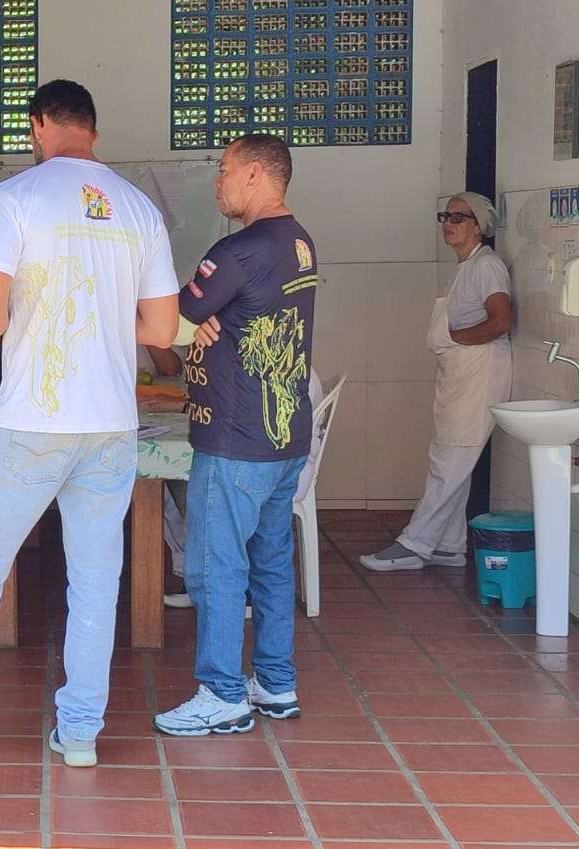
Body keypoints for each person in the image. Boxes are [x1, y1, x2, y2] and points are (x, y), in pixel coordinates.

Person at [0, 79, 179, 767]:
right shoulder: (140, 209)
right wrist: (105, 318)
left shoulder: (14, 197)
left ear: (38, 125)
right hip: (111, 425)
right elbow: (163, 329)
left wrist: (37, 316)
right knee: (95, 581)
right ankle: (79, 734)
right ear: (94, 132)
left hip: (33, 420)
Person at [153, 133, 317, 737]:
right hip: (283, 435)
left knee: (214, 567)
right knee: (270, 562)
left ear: (254, 174)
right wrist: (199, 321)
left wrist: (183, 320)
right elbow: (217, 316)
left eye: (224, 171)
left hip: (235, 437)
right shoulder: (298, 242)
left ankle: (222, 693)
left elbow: (169, 320)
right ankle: (274, 681)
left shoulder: (238, 250)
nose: (217, 182)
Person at [360, 193, 512, 572]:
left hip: (478, 376)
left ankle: (414, 544)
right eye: (446, 216)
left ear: (478, 226)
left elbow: (501, 320)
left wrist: (456, 339)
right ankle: (448, 545)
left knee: (450, 462)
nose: (449, 223)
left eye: (459, 217)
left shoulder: (487, 266)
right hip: (460, 374)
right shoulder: (464, 266)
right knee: (450, 459)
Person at [162, 368, 326, 609]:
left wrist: (188, 407)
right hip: (287, 465)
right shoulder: (297, 362)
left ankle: (211, 580)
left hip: (267, 468)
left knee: (195, 477)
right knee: (273, 562)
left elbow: (242, 419)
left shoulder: (267, 367)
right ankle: (207, 575)